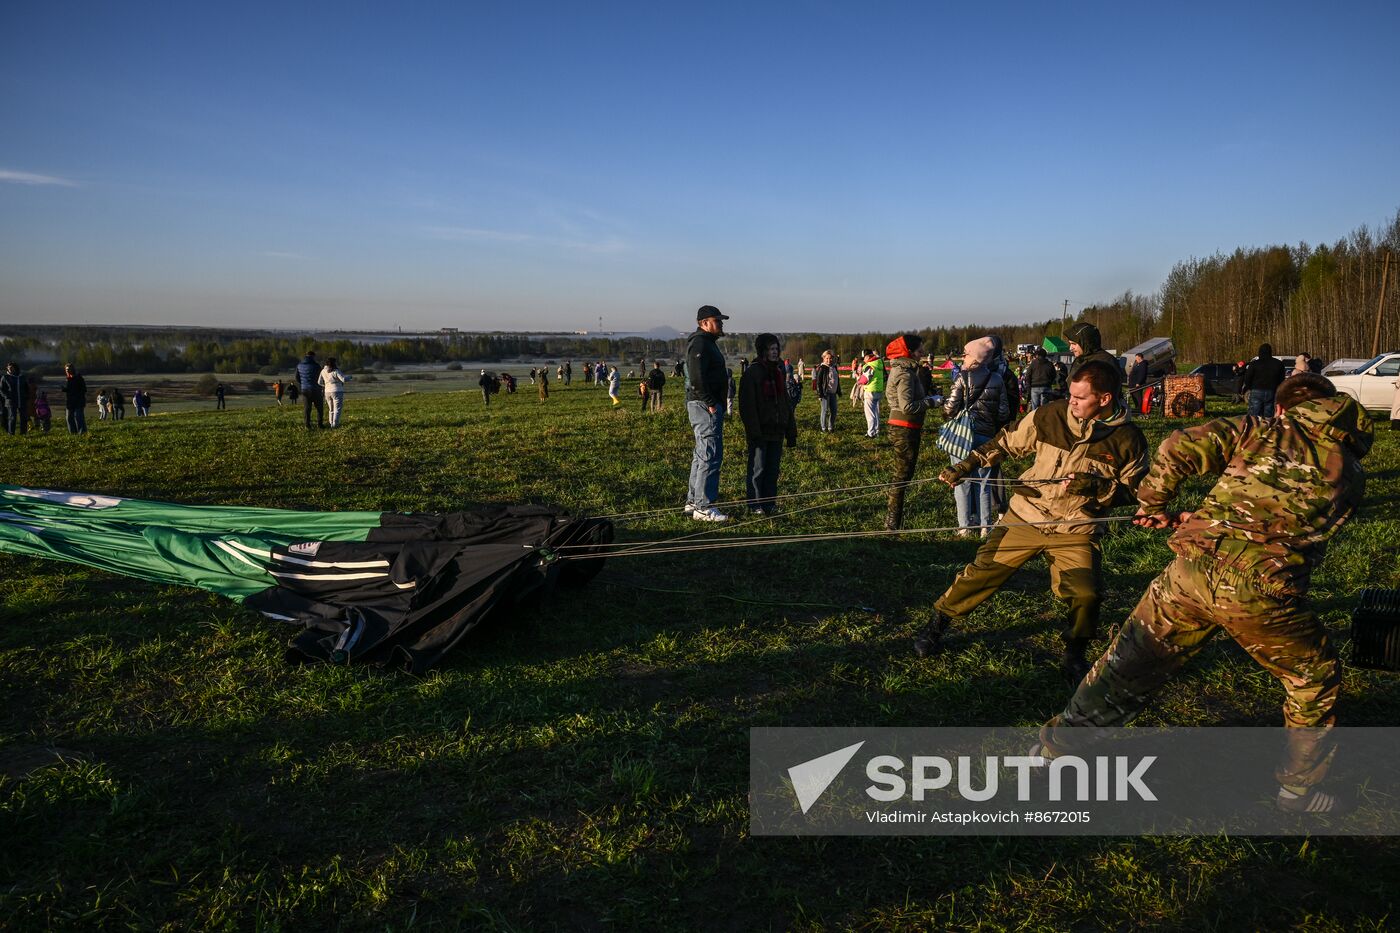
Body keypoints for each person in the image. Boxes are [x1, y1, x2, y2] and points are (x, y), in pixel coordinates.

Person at [1037, 374, 1372, 814]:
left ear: (1280, 408)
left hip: (1190, 573)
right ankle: (1297, 790)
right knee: (1314, 678)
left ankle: (1056, 752)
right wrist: (1210, 519)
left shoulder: (1258, 429)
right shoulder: (1349, 468)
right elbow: (1284, 517)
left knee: (1128, 665)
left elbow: (1178, 445)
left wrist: (1153, 504)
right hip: (1261, 593)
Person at [917, 359, 1149, 683]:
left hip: (1076, 526)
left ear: (1105, 399)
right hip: (1028, 514)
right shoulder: (1051, 415)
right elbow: (1006, 441)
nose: (1072, 403)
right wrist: (967, 464)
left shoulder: (1128, 440)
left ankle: (1075, 653)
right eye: (1071, 395)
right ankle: (937, 624)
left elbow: (1138, 491)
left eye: (1080, 398)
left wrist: (1098, 488)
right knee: (982, 573)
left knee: (1086, 594)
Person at [942, 338, 1010, 537]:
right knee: (985, 483)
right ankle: (985, 527)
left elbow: (949, 408)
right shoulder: (997, 379)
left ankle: (964, 526)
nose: (963, 357)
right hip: (987, 436)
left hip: (962, 437)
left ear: (973, 357)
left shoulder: (962, 377)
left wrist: (947, 415)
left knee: (961, 481)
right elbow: (1003, 412)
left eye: (965, 354)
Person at [738, 333, 798, 515]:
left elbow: (786, 403)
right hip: (760, 431)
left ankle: (769, 503)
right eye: (771, 349)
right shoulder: (752, 374)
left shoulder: (779, 372)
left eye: (776, 349)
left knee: (772, 470)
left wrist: (791, 430)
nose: (774, 352)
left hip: (777, 430)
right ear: (762, 350)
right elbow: (748, 407)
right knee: (758, 469)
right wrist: (754, 432)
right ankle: (755, 504)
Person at [884, 335, 936, 530]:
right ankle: (892, 523)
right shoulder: (905, 374)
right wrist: (932, 402)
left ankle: (894, 520)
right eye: (919, 350)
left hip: (906, 427)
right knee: (902, 476)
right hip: (904, 428)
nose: (922, 353)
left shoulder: (907, 371)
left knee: (903, 474)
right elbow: (907, 406)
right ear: (909, 352)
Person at [685, 305, 731, 522]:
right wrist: (711, 402)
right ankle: (704, 506)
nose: (721, 324)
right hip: (704, 406)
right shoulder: (700, 343)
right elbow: (696, 377)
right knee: (710, 454)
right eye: (717, 320)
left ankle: (693, 501)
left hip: (704, 405)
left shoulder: (706, 343)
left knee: (701, 453)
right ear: (703, 323)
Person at [1241, 343, 1286, 416]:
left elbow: (1247, 377)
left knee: (1254, 415)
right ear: (1270, 352)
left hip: (1256, 390)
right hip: (1271, 391)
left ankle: (1255, 426)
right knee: (1269, 414)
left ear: (1259, 352)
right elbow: (1281, 379)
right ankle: (1267, 426)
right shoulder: (1278, 363)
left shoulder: (1254, 363)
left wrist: (1250, 387)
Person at [813, 350, 841, 432]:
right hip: (825, 393)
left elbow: (837, 379)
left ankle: (830, 427)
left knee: (834, 411)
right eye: (827, 358)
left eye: (831, 358)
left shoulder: (834, 367)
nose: (829, 360)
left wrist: (838, 390)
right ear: (824, 358)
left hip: (833, 392)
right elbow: (818, 382)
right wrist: (820, 394)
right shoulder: (822, 368)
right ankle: (823, 428)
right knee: (825, 410)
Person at [297, 350, 324, 429]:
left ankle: (307, 425)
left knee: (307, 408)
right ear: (313, 356)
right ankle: (320, 424)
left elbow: (297, 377)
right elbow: (321, 377)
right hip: (316, 389)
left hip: (305, 389)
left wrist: (303, 383)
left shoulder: (299, 365)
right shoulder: (316, 366)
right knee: (319, 408)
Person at [319, 357, 348, 427]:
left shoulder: (323, 371)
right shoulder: (335, 371)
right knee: (337, 409)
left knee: (331, 409)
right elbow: (343, 379)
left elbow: (319, 382)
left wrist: (326, 385)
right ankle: (335, 425)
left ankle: (331, 423)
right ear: (334, 363)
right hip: (337, 391)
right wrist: (350, 377)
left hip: (327, 392)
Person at [62, 363, 88, 434]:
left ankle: (82, 433)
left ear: (72, 369)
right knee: (69, 418)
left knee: (79, 417)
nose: (67, 371)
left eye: (68, 369)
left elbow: (84, 390)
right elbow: (70, 389)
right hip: (70, 402)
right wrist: (65, 389)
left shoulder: (79, 378)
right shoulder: (68, 379)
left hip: (78, 401)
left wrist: (72, 391)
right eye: (66, 369)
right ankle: (73, 433)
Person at [1, 362, 25, 435]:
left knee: (23, 418)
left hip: (22, 400)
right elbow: (1, 389)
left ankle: (23, 433)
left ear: (15, 368)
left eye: (11, 368)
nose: (10, 369)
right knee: (12, 418)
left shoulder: (22, 377)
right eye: (9, 368)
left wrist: (26, 396)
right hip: (11, 401)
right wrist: (7, 397)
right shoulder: (5, 377)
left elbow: (26, 388)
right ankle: (11, 433)